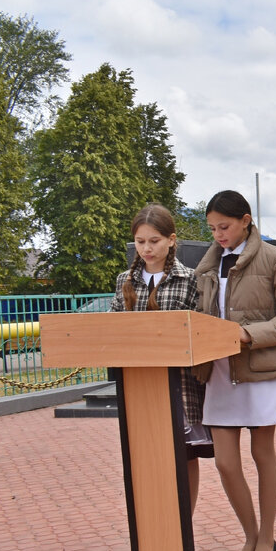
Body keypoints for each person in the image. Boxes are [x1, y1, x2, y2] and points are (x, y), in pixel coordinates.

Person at [193, 190, 276, 551]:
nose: (218, 235)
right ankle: (250, 535)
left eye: (224, 226)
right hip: (219, 374)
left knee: (263, 455)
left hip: (261, 370)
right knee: (226, 463)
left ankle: (267, 539)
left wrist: (247, 334)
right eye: (212, 229)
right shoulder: (205, 268)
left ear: (246, 220)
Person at [110, 203, 211, 513]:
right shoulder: (123, 281)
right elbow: (112, 329)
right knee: (147, 456)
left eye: (154, 241)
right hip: (139, 386)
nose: (147, 248)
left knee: (185, 457)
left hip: (179, 384)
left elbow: (200, 330)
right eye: (140, 242)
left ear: (171, 240)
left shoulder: (190, 278)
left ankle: (183, 525)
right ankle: (155, 525)